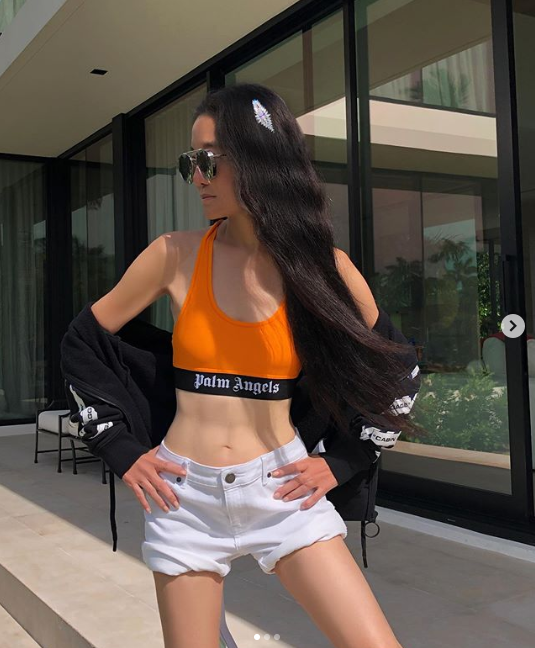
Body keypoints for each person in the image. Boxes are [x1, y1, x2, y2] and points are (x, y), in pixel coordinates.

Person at [84, 83, 420, 648]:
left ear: (259, 160)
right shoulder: (174, 254)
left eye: (209, 161)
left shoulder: (323, 268)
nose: (197, 177)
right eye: (190, 162)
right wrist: (119, 447)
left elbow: (398, 366)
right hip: (183, 497)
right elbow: (83, 341)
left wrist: (343, 461)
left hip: (281, 491)